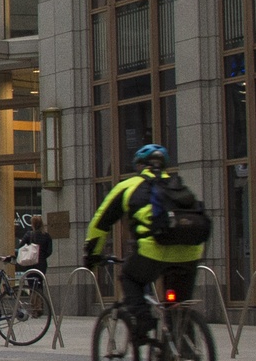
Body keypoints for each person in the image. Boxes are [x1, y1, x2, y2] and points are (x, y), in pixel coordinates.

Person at [83, 145, 205, 345]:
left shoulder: (129, 185)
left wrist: (92, 255)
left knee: (129, 277)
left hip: (153, 250)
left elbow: (100, 222)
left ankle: (143, 322)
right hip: (190, 253)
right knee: (177, 307)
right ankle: (185, 358)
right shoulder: (178, 185)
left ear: (140, 166)